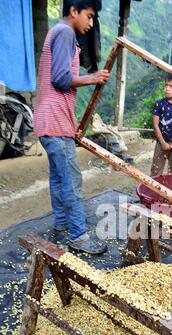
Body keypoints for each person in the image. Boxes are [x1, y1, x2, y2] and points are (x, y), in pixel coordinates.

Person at [34, 0, 109, 254]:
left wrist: (71, 122)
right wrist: (92, 78)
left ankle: (62, 225)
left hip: (49, 122)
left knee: (58, 178)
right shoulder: (65, 32)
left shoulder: (57, 32)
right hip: (54, 122)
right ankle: (78, 237)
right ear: (74, 11)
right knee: (72, 180)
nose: (90, 23)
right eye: (88, 16)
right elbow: (61, 78)